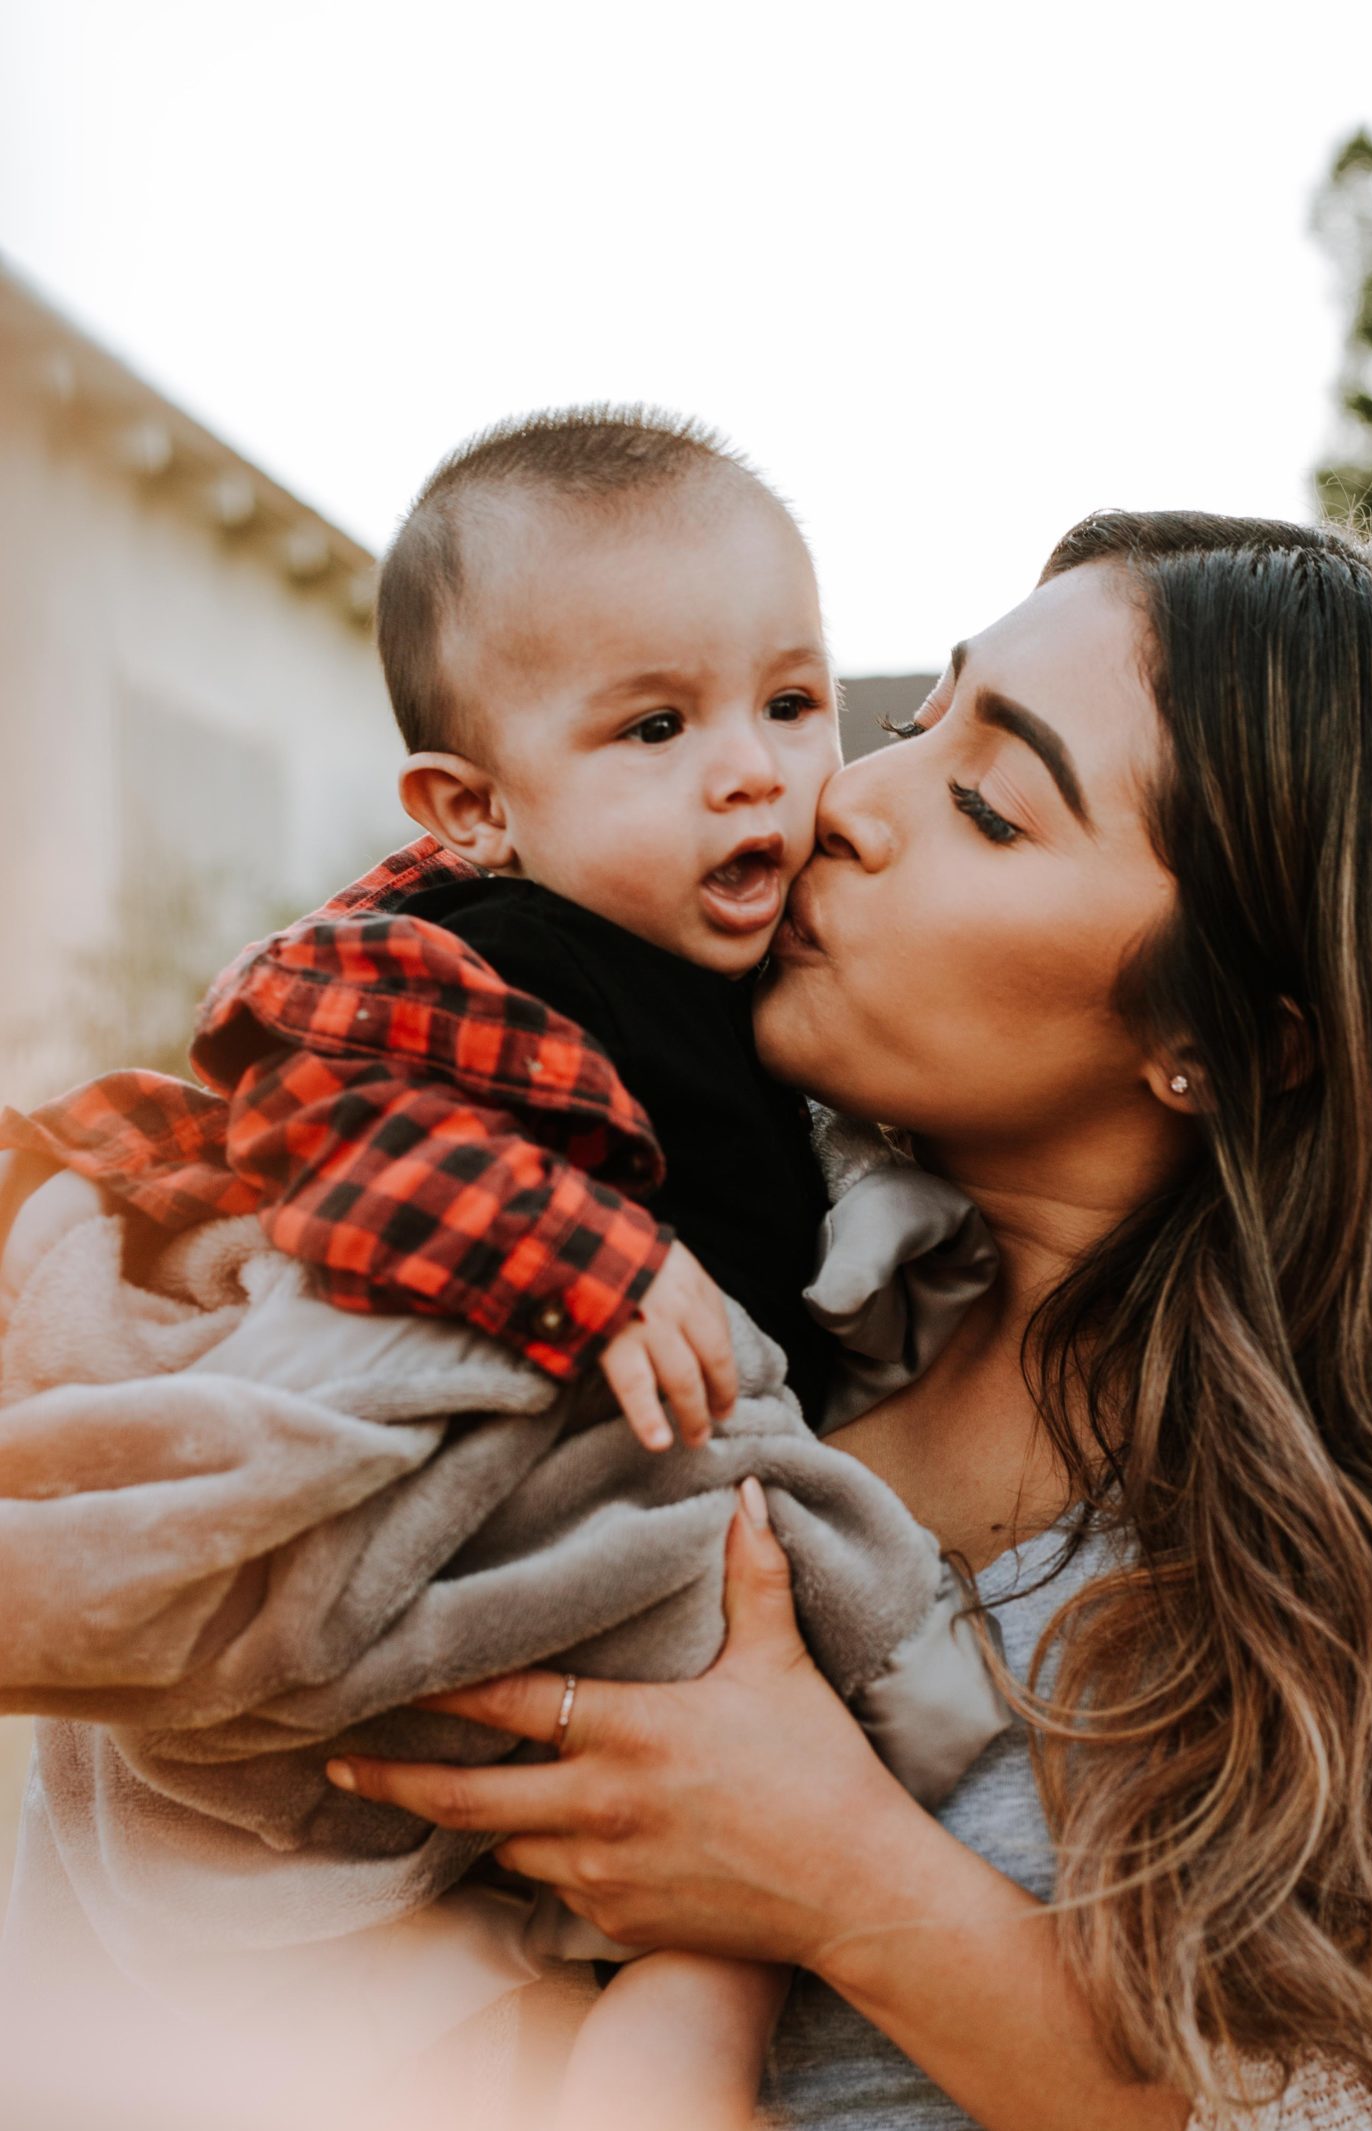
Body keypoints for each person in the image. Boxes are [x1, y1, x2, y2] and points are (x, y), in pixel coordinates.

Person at [331, 512, 1372, 2128]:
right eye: (911, 727)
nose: (839, 802)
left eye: (987, 805)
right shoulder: (662, 1288)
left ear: (1235, 1040)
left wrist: (842, 1877)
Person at [0, 407, 1007, 2131]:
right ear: (472, 810)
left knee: (685, 1900)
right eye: (653, 725)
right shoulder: (482, 954)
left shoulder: (760, 986)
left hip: (657, 1529)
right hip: (497, 1460)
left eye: (790, 699)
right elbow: (309, 1105)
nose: (756, 768)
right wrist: (586, 1265)